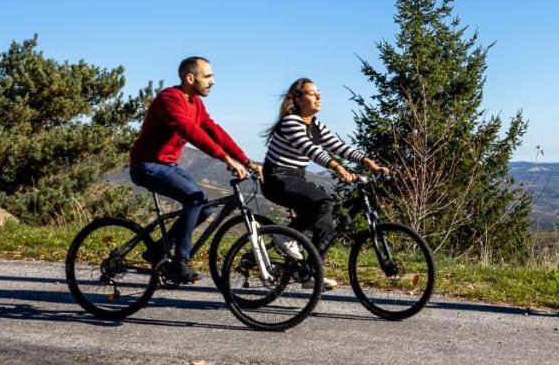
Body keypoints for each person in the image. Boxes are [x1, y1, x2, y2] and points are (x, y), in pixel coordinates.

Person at [129, 56, 262, 284]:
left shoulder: (196, 103)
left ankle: (158, 251)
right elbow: (190, 131)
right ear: (190, 78)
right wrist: (225, 158)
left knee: (204, 209)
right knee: (195, 199)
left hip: (168, 165)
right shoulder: (169, 99)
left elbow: (213, 130)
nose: (213, 81)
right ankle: (179, 262)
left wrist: (245, 160)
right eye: (208, 76)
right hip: (146, 165)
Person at [261, 77, 388, 288]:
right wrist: (338, 168)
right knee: (324, 202)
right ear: (298, 99)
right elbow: (311, 150)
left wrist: (369, 163)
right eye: (312, 93)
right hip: (277, 178)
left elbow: (337, 146)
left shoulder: (316, 125)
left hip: (296, 178)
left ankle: (310, 273)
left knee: (327, 224)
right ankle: (284, 236)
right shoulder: (291, 122)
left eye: (319, 92)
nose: (318, 96)